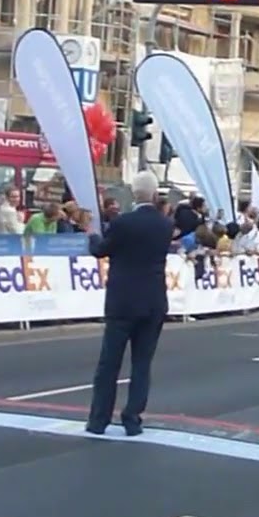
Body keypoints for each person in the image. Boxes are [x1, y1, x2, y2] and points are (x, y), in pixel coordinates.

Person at [85, 171, 173, 437]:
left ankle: (99, 420)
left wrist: (92, 235)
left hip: (122, 301)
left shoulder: (124, 223)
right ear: (155, 194)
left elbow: (101, 250)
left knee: (109, 364)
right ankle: (132, 419)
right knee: (142, 364)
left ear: (133, 194)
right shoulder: (165, 225)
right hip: (153, 300)